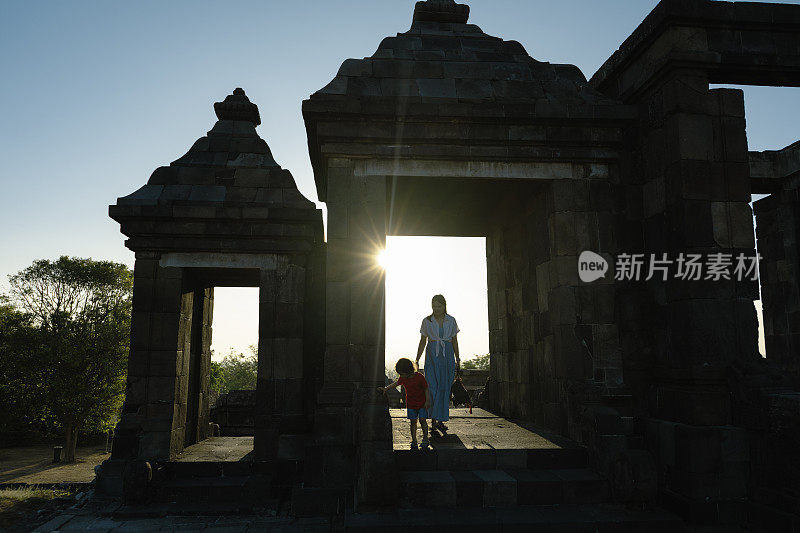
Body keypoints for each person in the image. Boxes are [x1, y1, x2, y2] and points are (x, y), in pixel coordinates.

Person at [416, 294, 460, 436]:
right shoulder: (427, 321)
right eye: (434, 306)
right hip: (432, 356)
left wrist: (458, 358)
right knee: (432, 387)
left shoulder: (451, 320)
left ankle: (441, 419)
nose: (436, 309)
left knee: (444, 388)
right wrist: (417, 358)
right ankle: (433, 419)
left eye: (439, 306)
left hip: (447, 356)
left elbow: (454, 341)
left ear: (444, 306)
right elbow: (423, 340)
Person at [378, 358, 431, 450]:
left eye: (402, 373)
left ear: (408, 370)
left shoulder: (419, 377)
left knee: (423, 421)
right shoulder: (403, 378)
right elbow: (396, 384)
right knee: (413, 422)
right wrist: (386, 388)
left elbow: (426, 388)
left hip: (422, 403)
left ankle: (425, 439)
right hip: (411, 404)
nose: (401, 375)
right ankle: (414, 441)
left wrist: (427, 401)